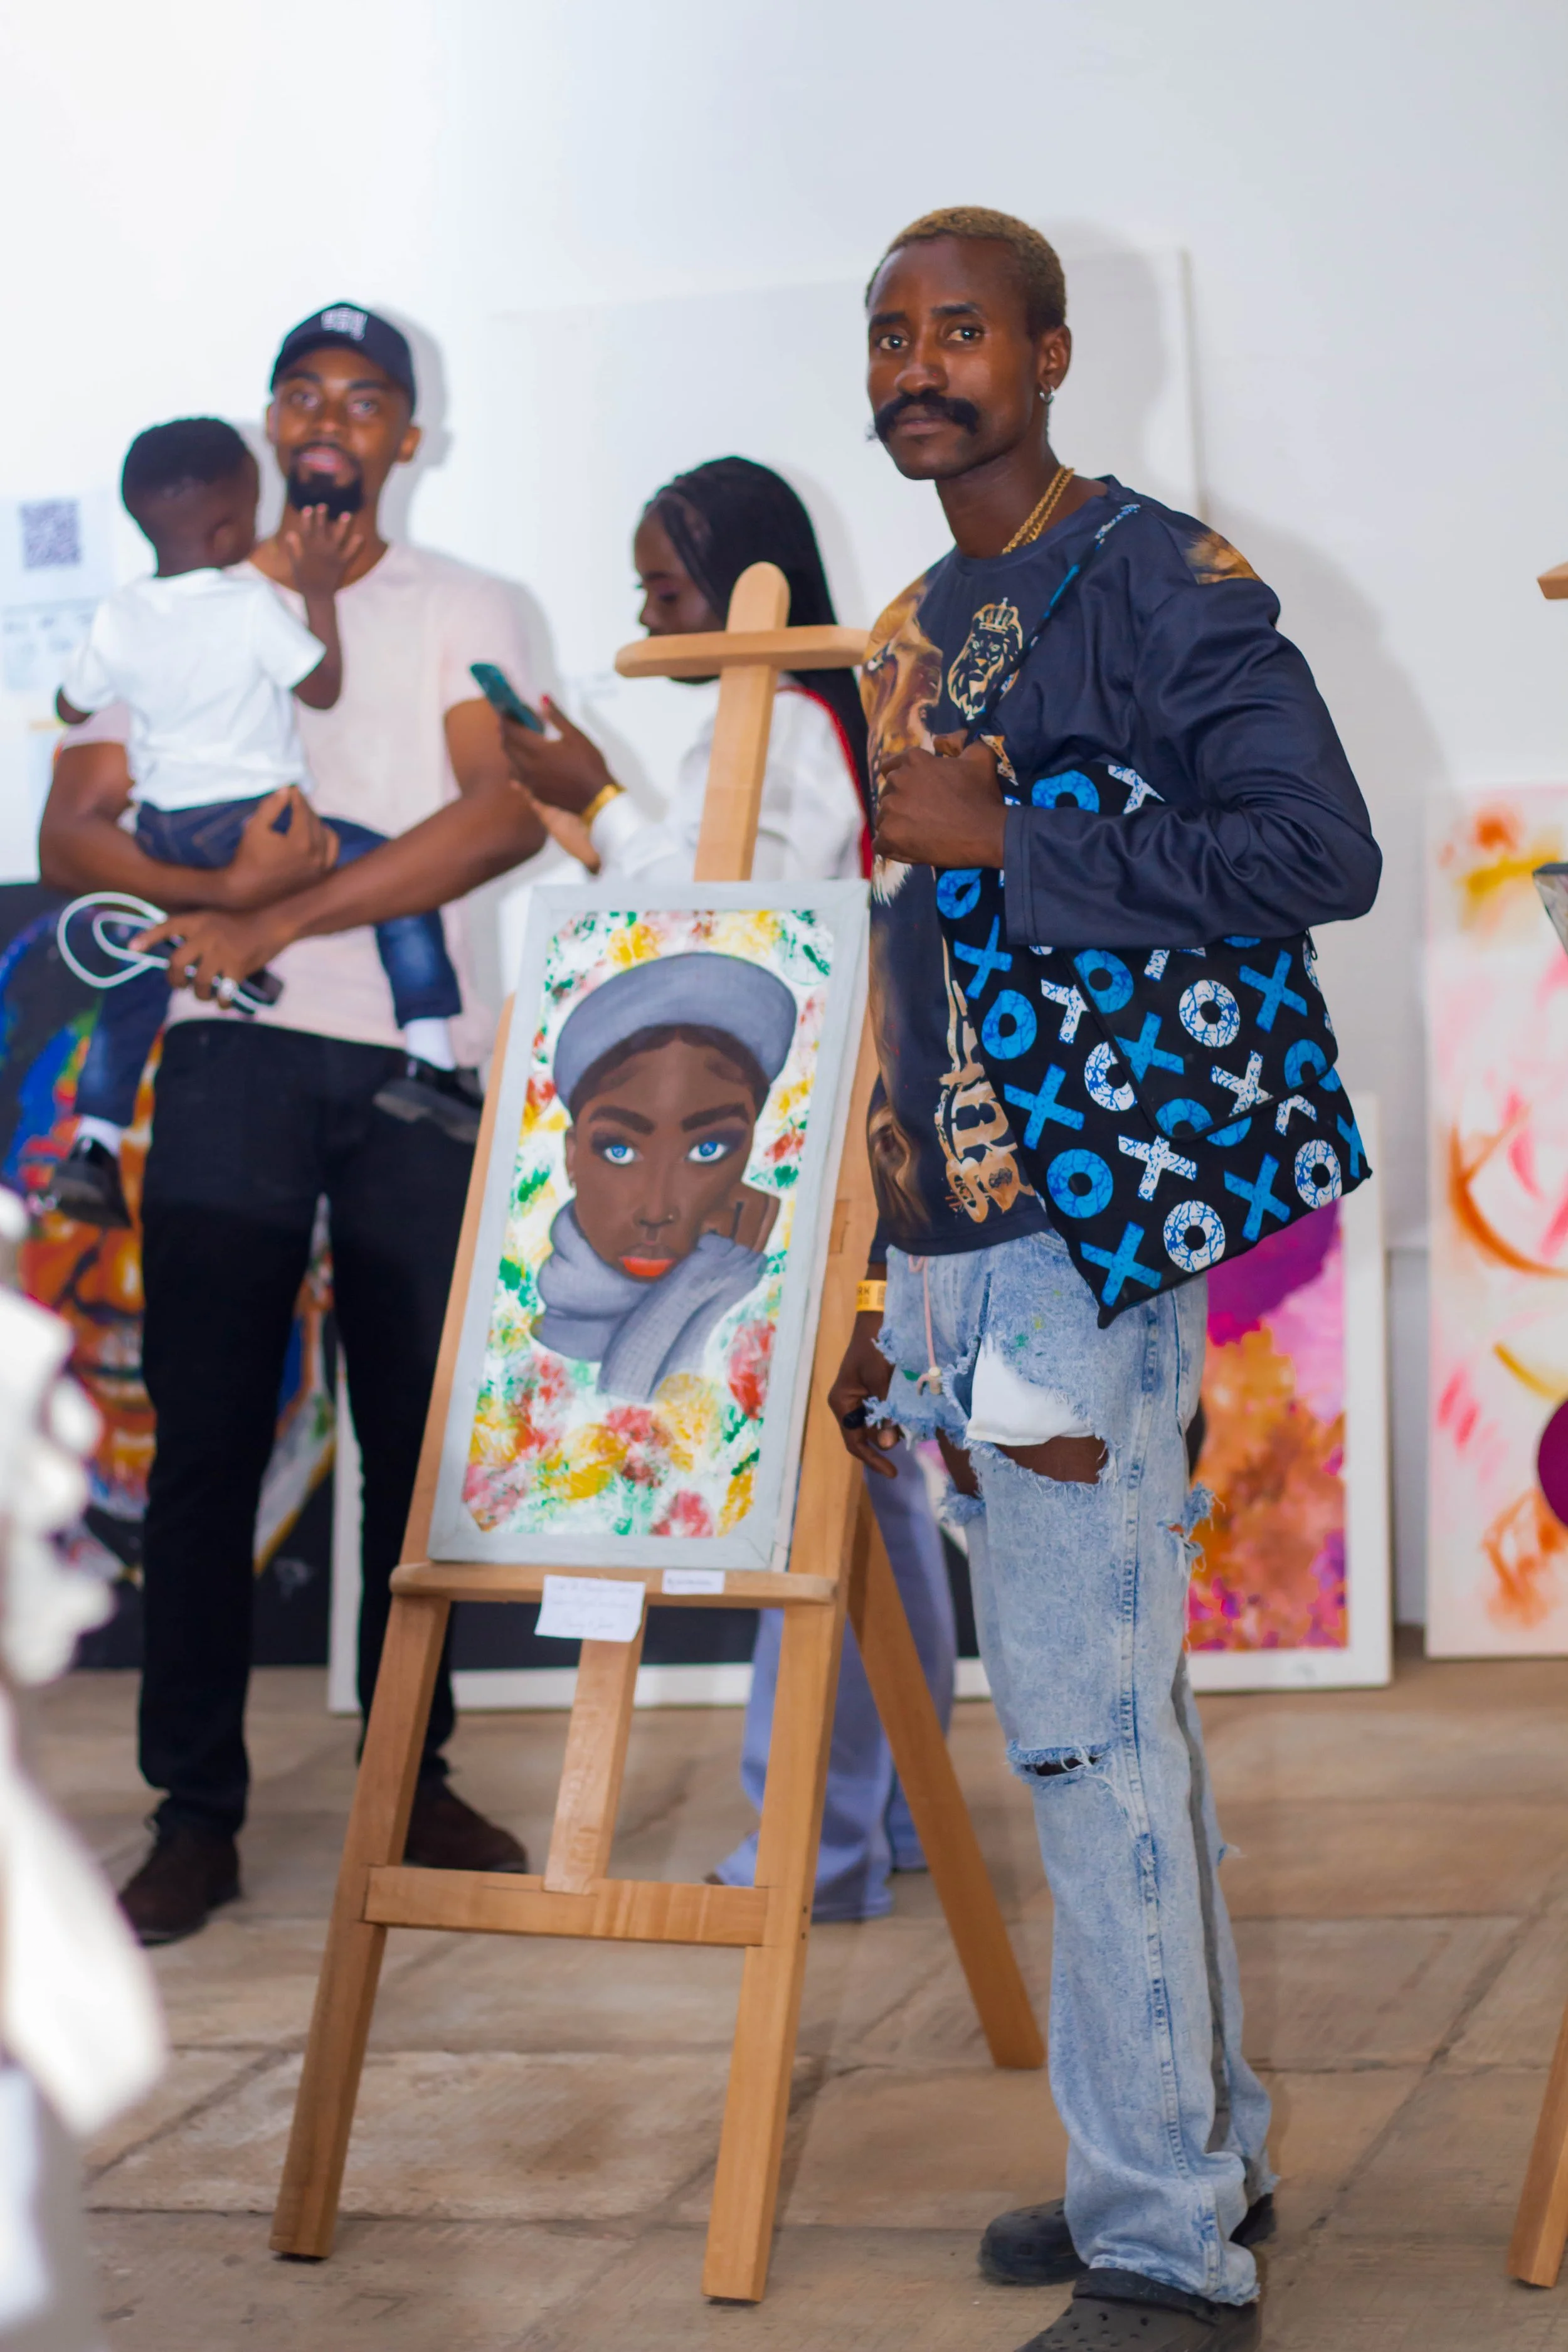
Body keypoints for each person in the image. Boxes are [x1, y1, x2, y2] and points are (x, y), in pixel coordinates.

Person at [830, 209, 1381, 2352]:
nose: (919, 360)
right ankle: (1184, 2144)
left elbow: (1315, 851)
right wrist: (889, 1266)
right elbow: (918, 978)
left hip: (1080, 1257)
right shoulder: (907, 615)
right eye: (890, 331)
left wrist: (1023, 828)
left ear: (1051, 352)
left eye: (961, 327)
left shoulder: (1154, 578)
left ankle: (1165, 2245)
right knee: (1094, 1708)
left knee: (1078, 1729)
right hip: (968, 1270)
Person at [38, 303, 551, 1945]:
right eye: (307, 390)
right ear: (270, 421)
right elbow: (70, 835)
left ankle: (415, 1777)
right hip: (230, 1066)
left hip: (414, 1066)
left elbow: (493, 812)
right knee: (202, 1447)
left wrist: (278, 922)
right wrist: (219, 898)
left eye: (372, 396)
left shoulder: (474, 604)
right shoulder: (171, 603)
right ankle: (194, 1814)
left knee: (411, 1449)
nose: (335, 415)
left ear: (412, 437)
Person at [502, 455, 956, 1926]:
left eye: (667, 585)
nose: (647, 611)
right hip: (839, 1141)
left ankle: (817, 1842)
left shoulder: (789, 730)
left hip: (796, 1155)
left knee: (818, 1491)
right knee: (868, 1483)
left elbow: (727, 928)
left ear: (745, 576)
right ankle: (886, 1821)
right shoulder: (816, 720)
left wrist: (605, 797)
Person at [49, 415, 473, 1230]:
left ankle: (93, 1143)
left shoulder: (118, 613)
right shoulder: (248, 604)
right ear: (227, 526)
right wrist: (316, 590)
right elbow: (319, 688)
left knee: (139, 973)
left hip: (161, 830)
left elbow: (73, 703)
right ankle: (433, 1056)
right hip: (258, 822)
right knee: (391, 877)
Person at [540, 954, 793, 1400]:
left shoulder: (752, 1325)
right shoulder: (519, 1355)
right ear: (572, 1156)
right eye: (619, 1151)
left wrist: (702, 1286)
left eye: (708, 1150)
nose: (656, 1212)